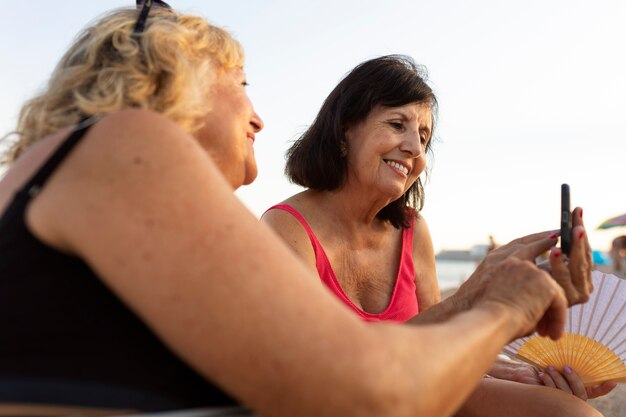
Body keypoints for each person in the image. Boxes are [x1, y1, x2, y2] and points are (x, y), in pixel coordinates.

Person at [0, 3, 596, 417]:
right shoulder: (126, 140)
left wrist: (488, 301)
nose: (258, 115)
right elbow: (365, 391)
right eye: (240, 82)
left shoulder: (80, 178)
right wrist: (499, 305)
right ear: (166, 84)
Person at [262, 55, 613, 417]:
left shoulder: (412, 230)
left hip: (418, 396)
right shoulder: (286, 229)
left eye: (424, 137)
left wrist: (521, 373)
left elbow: (443, 347)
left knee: (570, 412)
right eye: (398, 124)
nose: (415, 148)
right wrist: (475, 295)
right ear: (343, 131)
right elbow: (324, 372)